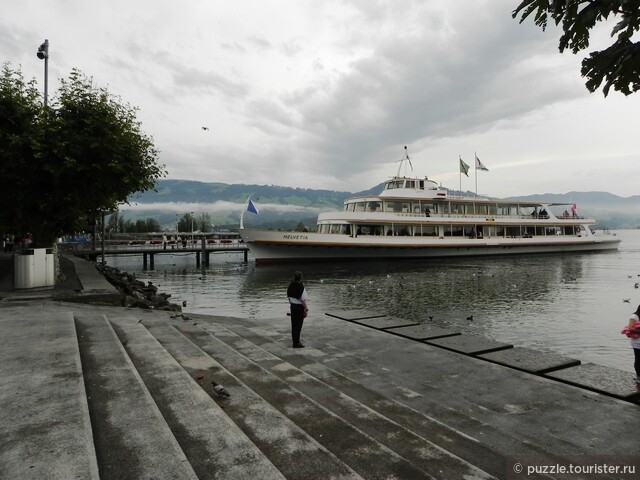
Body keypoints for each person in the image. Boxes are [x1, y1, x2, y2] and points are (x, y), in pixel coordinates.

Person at [287, 271, 309, 348]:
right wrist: (306, 309)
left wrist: (292, 305)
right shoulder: (301, 287)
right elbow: (303, 300)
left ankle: (294, 341)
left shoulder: (290, 285)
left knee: (293, 325)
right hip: (299, 308)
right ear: (301, 278)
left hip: (292, 307)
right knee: (298, 326)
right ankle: (297, 343)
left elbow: (289, 298)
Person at [626, 305, 640, 391]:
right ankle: (638, 376)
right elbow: (630, 328)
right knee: (638, 359)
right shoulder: (634, 316)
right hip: (637, 343)